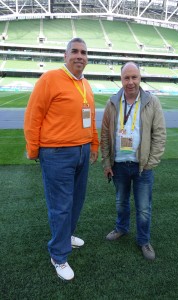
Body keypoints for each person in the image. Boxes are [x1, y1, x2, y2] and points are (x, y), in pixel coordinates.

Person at [24, 37, 99, 280]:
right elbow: (33, 115)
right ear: (65, 56)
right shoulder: (50, 78)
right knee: (61, 207)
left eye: (84, 52)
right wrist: (33, 149)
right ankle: (58, 255)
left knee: (76, 201)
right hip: (57, 153)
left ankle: (66, 237)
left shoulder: (85, 84)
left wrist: (93, 144)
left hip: (82, 151)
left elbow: (91, 118)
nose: (80, 56)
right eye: (75, 51)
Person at [100, 62, 166, 260]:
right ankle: (121, 228)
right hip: (118, 164)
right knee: (121, 202)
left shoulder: (152, 102)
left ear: (140, 78)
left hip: (142, 166)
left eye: (134, 77)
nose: (130, 82)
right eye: (126, 78)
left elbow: (160, 135)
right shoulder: (112, 103)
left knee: (144, 207)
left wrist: (150, 163)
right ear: (121, 79)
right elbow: (104, 135)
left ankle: (144, 240)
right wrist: (107, 163)